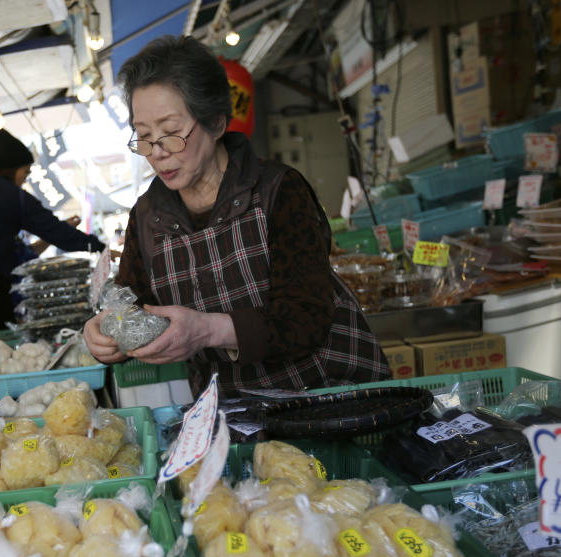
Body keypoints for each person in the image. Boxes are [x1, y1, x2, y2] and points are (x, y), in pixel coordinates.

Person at [84, 36, 391, 395]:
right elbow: (134, 310)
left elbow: (307, 317)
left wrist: (207, 329)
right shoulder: (146, 218)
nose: (158, 153)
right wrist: (106, 336)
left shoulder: (279, 190)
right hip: (234, 413)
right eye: (144, 137)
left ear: (215, 123)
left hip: (326, 392)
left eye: (170, 132)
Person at [0, 127, 107, 372]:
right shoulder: (14, 197)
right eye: (25, 172)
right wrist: (98, 246)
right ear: (12, 168)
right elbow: (58, 234)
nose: (24, 179)